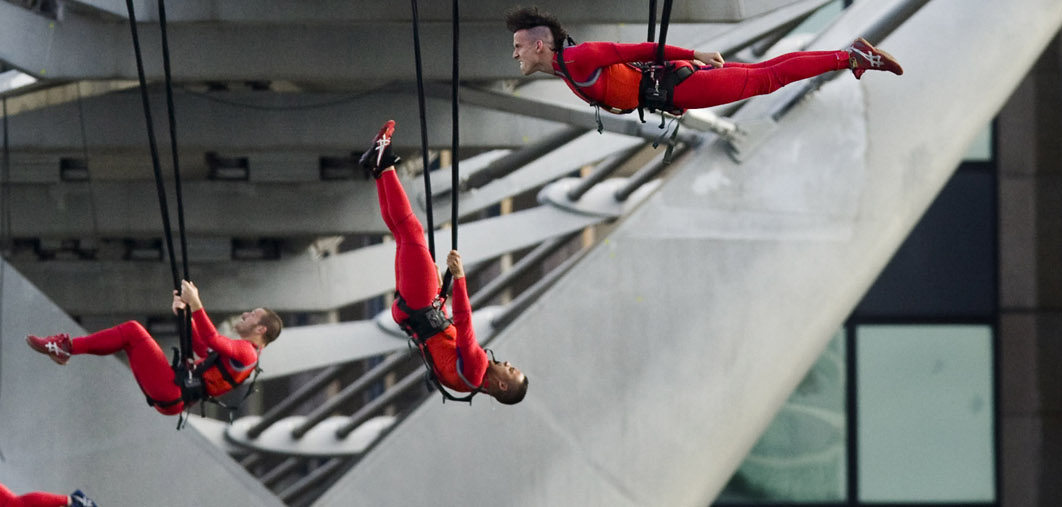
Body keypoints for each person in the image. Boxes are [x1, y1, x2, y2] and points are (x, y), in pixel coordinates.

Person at [359, 120, 528, 405]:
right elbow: (443, 341)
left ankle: (383, 163)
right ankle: (379, 168)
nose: (508, 363)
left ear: (500, 384)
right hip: (417, 310)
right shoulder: (465, 384)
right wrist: (441, 292)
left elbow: (464, 322)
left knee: (411, 231)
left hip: (422, 304)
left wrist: (459, 278)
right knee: (403, 234)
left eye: (511, 370)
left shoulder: (475, 370)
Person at [505, 6, 904, 114]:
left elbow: (641, 50)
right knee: (764, 72)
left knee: (767, 79)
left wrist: (693, 53)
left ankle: (850, 56)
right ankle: (850, 55)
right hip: (675, 87)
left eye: (519, 46)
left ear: (540, 45)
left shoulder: (578, 58)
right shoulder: (565, 68)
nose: (514, 54)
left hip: (681, 83)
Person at [25, 280, 281, 415]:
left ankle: (66, 348)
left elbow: (212, 340)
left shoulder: (247, 352)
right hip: (171, 397)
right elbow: (203, 350)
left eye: (253, 315)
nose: (246, 314)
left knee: (133, 330)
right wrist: (186, 316)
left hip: (173, 391)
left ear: (261, 330)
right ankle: (65, 350)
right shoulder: (244, 354)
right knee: (127, 338)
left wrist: (196, 303)